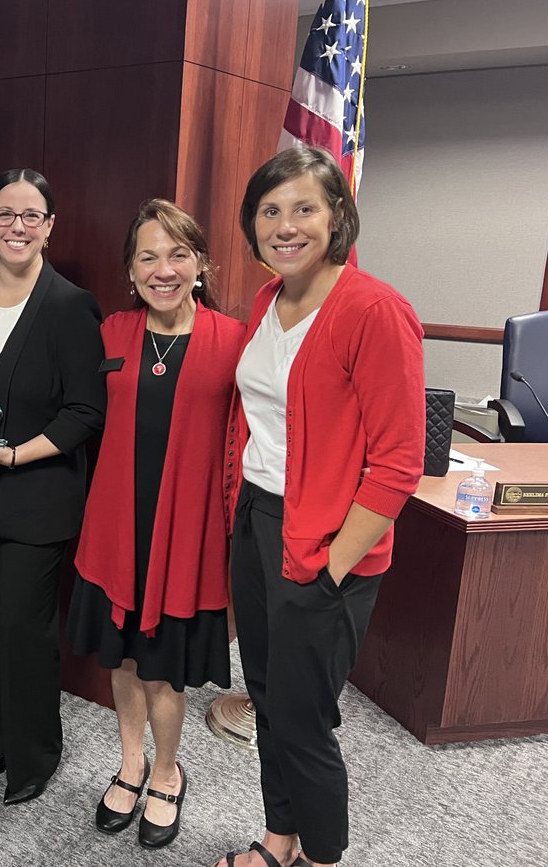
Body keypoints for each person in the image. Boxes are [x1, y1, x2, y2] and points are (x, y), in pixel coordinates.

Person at [214, 146, 424, 867]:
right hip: (259, 524)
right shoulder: (268, 299)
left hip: (328, 543)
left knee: (305, 720)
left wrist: (332, 567)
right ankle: (279, 838)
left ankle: (324, 857)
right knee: (267, 701)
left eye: (304, 207)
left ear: (337, 215)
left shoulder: (375, 308)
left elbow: (400, 463)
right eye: (269, 211)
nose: (286, 225)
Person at [69, 200, 245, 849]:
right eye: (148, 256)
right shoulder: (110, 332)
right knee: (121, 660)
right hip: (117, 530)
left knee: (163, 673)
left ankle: (168, 772)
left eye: (178, 254)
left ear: (201, 263)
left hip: (188, 537)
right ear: (131, 269)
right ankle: (131, 762)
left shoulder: (234, 340)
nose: (163, 268)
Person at [0, 168, 105, 806]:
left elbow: (85, 413)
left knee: (26, 629)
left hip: (36, 493)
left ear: (49, 227)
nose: (17, 226)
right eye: (4, 214)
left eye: (30, 215)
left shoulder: (69, 305)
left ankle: (36, 754)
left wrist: (16, 456)